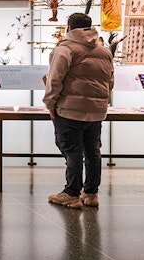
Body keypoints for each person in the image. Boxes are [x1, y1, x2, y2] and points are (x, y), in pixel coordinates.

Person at [43, 13, 114, 209]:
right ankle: (91, 194)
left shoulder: (65, 50)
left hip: (69, 110)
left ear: (69, 28)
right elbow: (110, 82)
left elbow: (54, 80)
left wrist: (50, 104)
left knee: (72, 150)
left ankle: (71, 194)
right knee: (93, 151)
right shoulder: (105, 52)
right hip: (96, 111)